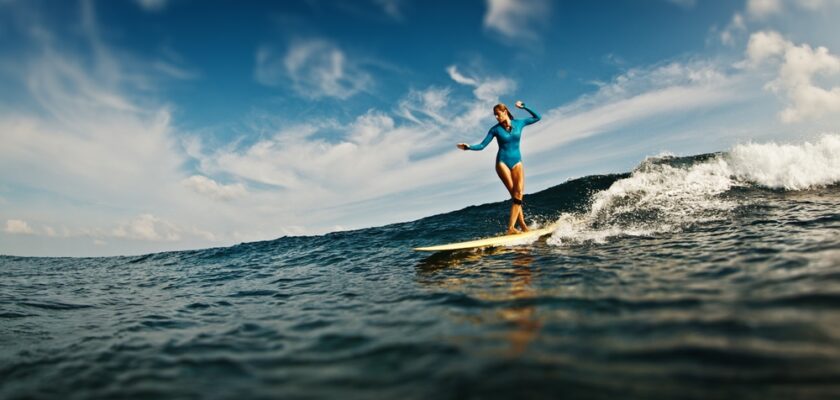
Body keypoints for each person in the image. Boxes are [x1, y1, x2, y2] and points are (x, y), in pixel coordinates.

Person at [457, 100, 541, 234]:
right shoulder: (495, 129)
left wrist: (524, 107)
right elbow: (482, 145)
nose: (496, 117)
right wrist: (468, 147)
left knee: (518, 194)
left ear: (505, 111)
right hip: (502, 163)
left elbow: (538, 117)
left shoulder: (519, 123)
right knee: (514, 194)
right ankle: (511, 228)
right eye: (494, 115)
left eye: (498, 114)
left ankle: (523, 225)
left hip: (517, 161)